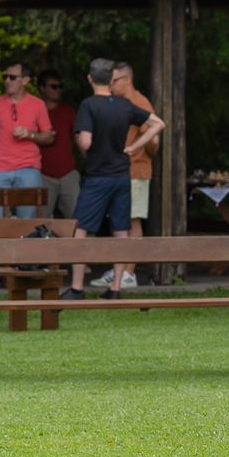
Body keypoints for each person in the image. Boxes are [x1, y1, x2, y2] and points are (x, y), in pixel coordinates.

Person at [61, 58, 165, 300]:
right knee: (121, 230)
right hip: (121, 177)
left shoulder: (88, 105)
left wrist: (79, 141)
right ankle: (115, 288)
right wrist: (134, 146)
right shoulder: (125, 105)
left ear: (89, 78)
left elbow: (85, 141)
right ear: (111, 80)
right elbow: (158, 124)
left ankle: (77, 288)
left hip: (98, 176)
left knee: (81, 230)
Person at [93, 62, 160, 290]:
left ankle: (129, 272)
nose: (110, 86)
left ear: (127, 80)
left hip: (136, 170)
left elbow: (154, 139)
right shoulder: (121, 103)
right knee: (121, 220)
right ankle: (120, 269)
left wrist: (138, 153)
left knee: (132, 219)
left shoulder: (140, 103)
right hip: (121, 172)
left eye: (115, 81)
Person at [0, 62, 53, 218]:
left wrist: (30, 134)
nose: (7, 80)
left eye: (12, 77)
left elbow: (48, 136)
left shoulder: (38, 104)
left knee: (27, 222)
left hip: (28, 168)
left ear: (25, 80)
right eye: (5, 77)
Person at [36, 69, 81, 220]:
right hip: (42, 175)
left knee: (77, 219)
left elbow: (79, 139)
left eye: (60, 86)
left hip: (68, 173)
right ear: (42, 89)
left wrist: (93, 161)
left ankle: (78, 245)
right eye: (53, 86)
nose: (58, 90)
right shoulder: (34, 111)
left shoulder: (68, 111)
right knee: (42, 221)